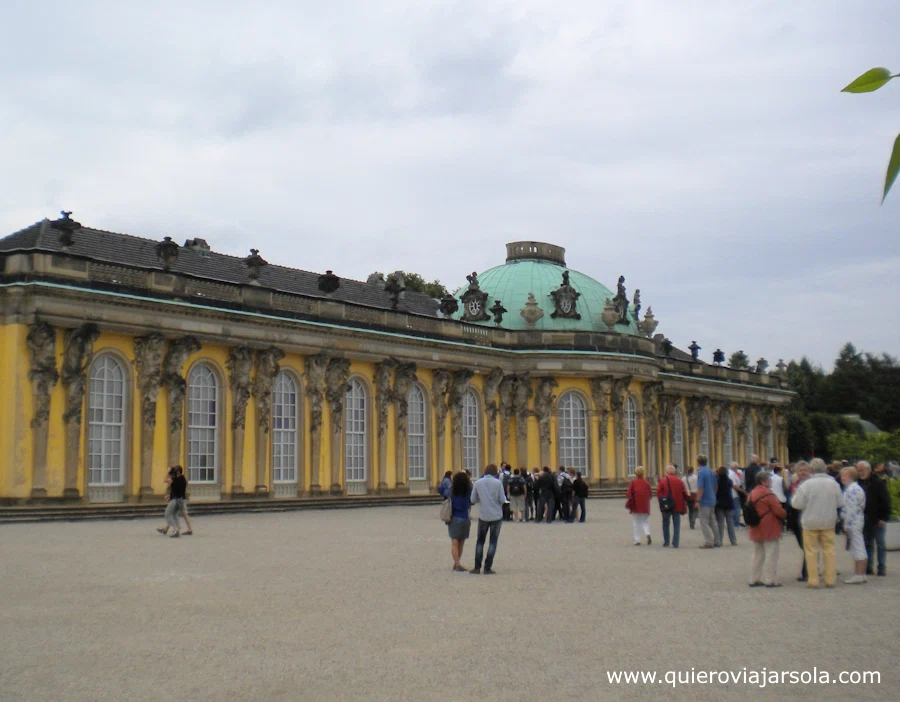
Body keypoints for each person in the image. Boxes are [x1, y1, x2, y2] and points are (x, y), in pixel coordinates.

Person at [790, 458, 844, 589]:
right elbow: (840, 503)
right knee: (829, 550)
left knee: (810, 551)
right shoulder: (834, 483)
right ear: (825, 468)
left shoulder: (806, 485)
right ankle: (830, 579)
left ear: (811, 470)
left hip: (810, 521)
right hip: (828, 520)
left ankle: (813, 580)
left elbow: (797, 504)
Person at [747, 471, 787, 587]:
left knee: (757, 554)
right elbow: (778, 511)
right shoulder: (768, 494)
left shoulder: (751, 494)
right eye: (769, 480)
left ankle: (754, 578)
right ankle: (770, 579)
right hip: (769, 526)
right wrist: (785, 513)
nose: (770, 482)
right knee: (771, 553)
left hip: (755, 526)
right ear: (764, 481)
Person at [469, 464, 508, 574]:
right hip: (496, 516)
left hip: (484, 515)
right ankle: (487, 567)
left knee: (480, 541)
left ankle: (477, 567)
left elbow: (473, 499)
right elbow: (502, 499)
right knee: (493, 542)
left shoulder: (478, 482)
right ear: (495, 472)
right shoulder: (498, 483)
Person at [857, 460, 890, 577]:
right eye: (859, 470)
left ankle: (881, 567)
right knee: (867, 543)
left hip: (877, 518)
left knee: (880, 543)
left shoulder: (878, 482)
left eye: (862, 470)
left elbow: (885, 501)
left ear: (869, 470)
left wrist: (883, 517)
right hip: (865, 518)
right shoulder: (858, 483)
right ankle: (868, 567)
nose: (860, 472)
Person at [840, 467, 868, 584]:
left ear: (851, 476)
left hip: (853, 522)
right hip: (858, 521)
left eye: (845, 476)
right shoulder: (855, 488)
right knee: (859, 546)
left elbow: (850, 510)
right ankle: (861, 574)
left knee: (857, 547)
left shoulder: (852, 490)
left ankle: (859, 574)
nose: (842, 478)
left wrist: (846, 526)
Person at [787, 461, 810, 581]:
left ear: (809, 471)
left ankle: (807, 572)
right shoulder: (796, 483)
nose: (803, 472)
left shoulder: (810, 484)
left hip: (807, 517)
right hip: (797, 517)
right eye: (800, 470)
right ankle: (808, 570)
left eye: (805, 470)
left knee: (807, 546)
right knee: (804, 545)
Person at [657, 464, 688, 548]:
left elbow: (659, 492)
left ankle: (666, 541)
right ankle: (675, 542)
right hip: (677, 505)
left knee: (666, 523)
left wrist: (661, 501)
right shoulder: (679, 481)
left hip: (666, 505)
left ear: (667, 472)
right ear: (674, 472)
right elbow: (684, 493)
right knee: (676, 524)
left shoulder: (663, 480)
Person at [447, 472, 472, 572]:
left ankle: (457, 563)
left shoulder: (452, 491)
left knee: (454, 542)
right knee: (461, 542)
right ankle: (457, 562)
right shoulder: (468, 491)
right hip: (465, 517)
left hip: (454, 517)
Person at [156, 466, 188, 538]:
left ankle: (176, 530)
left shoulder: (175, 479)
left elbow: (165, 480)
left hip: (175, 500)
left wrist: (168, 472)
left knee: (167, 514)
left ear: (178, 472)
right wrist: (170, 496)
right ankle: (174, 529)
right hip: (180, 499)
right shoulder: (182, 478)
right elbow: (178, 489)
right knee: (175, 515)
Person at [695, 455, 717, 549]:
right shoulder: (711, 471)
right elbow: (716, 486)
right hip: (712, 499)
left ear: (698, 462)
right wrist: (713, 494)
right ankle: (717, 540)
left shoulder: (701, 472)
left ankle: (709, 542)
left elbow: (700, 488)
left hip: (705, 500)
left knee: (704, 522)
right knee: (713, 521)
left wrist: (697, 500)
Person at [626, 466, 652, 546]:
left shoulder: (633, 483)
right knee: (644, 521)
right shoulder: (647, 483)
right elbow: (650, 495)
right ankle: (647, 533)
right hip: (645, 505)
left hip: (635, 505)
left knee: (636, 522)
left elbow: (628, 493)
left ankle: (637, 540)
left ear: (636, 473)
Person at [715, 466, 737, 547]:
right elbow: (733, 486)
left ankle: (720, 540)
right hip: (729, 502)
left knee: (720, 524)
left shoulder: (717, 481)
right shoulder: (729, 481)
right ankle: (733, 540)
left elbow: (715, 491)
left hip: (720, 503)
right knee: (730, 523)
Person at [729, 462, 745, 528]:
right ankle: (735, 524)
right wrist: (743, 491)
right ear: (734, 468)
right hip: (734, 494)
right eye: (737, 468)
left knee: (734, 509)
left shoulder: (732, 473)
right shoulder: (732, 474)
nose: (737, 469)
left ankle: (735, 523)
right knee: (737, 509)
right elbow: (734, 486)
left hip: (733, 493)